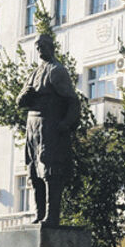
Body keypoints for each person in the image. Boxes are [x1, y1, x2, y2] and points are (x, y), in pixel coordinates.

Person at [16, 34, 81, 227]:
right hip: (32, 128)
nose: (39, 50)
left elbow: (72, 100)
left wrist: (66, 123)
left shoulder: (57, 70)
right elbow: (19, 101)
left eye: (42, 46)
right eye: (37, 47)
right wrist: (24, 95)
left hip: (49, 125)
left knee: (50, 172)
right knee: (34, 172)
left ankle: (52, 216)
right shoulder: (34, 73)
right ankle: (39, 214)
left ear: (51, 47)